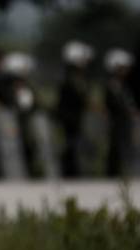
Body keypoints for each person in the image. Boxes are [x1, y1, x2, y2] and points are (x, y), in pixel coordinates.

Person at [56, 40, 93, 178]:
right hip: (69, 117)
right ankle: (70, 171)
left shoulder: (76, 76)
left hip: (74, 116)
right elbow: (80, 96)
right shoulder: (70, 78)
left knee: (74, 143)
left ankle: (74, 170)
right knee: (70, 144)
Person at [103, 49, 138, 177]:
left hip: (124, 123)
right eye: (122, 68)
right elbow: (116, 104)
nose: (125, 70)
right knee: (116, 150)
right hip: (116, 123)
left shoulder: (122, 85)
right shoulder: (113, 85)